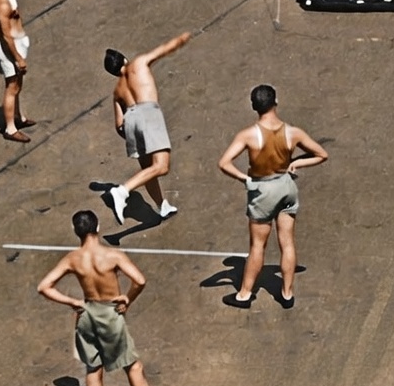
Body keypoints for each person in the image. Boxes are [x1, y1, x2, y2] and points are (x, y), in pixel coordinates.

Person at [37, 209, 188, 386]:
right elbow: (139, 280)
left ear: (75, 231)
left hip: (87, 315)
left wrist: (73, 302)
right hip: (109, 315)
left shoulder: (72, 259)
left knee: (93, 369)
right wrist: (128, 298)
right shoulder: (113, 256)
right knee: (132, 366)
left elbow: (44, 287)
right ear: (97, 228)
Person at [217, 84, 329, 309]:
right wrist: (295, 162)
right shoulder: (292, 132)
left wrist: (244, 179)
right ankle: (287, 293)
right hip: (286, 187)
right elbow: (321, 154)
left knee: (258, 245)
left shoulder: (248, 135)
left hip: (263, 190)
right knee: (287, 242)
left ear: (254, 107)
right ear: (275, 101)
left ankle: (245, 295)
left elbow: (224, 163)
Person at [104, 34, 191, 225]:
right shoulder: (139, 63)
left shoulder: (117, 91)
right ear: (124, 59)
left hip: (130, 122)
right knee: (161, 166)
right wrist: (182, 39)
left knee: (148, 168)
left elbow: (119, 124)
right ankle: (122, 191)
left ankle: (163, 206)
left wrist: (133, 133)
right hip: (148, 114)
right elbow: (164, 49)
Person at [0, 0, 33, 142]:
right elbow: (6, 36)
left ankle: (18, 117)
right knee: (11, 88)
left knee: (18, 86)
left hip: (17, 46)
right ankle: (10, 129)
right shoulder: (1, 4)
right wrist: (18, 58)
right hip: (10, 50)